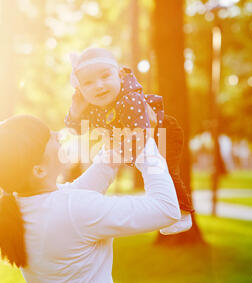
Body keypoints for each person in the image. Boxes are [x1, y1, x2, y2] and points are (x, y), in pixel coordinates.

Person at [0, 114, 181, 283]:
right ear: (39, 170)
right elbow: (166, 208)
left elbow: (86, 188)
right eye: (49, 137)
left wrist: (118, 140)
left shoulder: (25, 204)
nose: (58, 135)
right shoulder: (73, 210)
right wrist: (146, 145)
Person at [64, 47, 194, 235]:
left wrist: (118, 152)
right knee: (122, 161)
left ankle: (183, 212)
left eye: (105, 76)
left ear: (119, 75)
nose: (99, 85)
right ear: (80, 90)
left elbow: (140, 132)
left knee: (165, 169)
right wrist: (76, 108)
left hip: (162, 132)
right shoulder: (91, 107)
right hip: (129, 140)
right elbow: (73, 129)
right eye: (88, 83)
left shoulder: (129, 98)